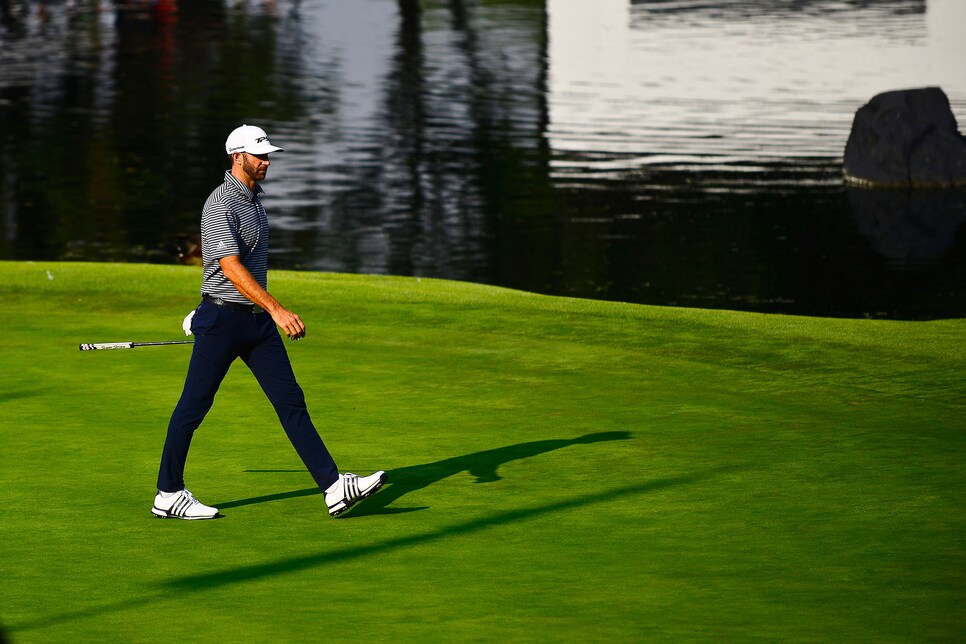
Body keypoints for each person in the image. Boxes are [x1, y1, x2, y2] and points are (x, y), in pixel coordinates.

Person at [152, 124, 385, 520]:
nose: (266, 161)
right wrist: (275, 309)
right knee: (193, 407)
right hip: (225, 319)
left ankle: (333, 488)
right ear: (236, 156)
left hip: (255, 323)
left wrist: (263, 312)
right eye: (259, 155)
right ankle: (168, 493)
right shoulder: (221, 203)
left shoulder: (255, 199)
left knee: (291, 401)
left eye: (267, 155)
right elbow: (229, 266)